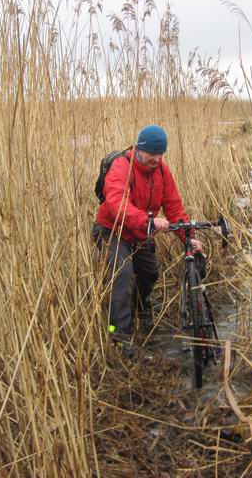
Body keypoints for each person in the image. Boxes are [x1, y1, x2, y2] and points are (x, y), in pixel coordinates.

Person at [92, 125, 202, 345]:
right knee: (122, 274)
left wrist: (188, 238)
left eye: (161, 153)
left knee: (150, 273)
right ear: (140, 149)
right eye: (152, 153)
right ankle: (119, 335)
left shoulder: (161, 169)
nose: (157, 158)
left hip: (140, 232)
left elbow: (173, 206)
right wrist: (148, 222)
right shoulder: (123, 166)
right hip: (112, 230)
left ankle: (141, 311)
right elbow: (116, 204)